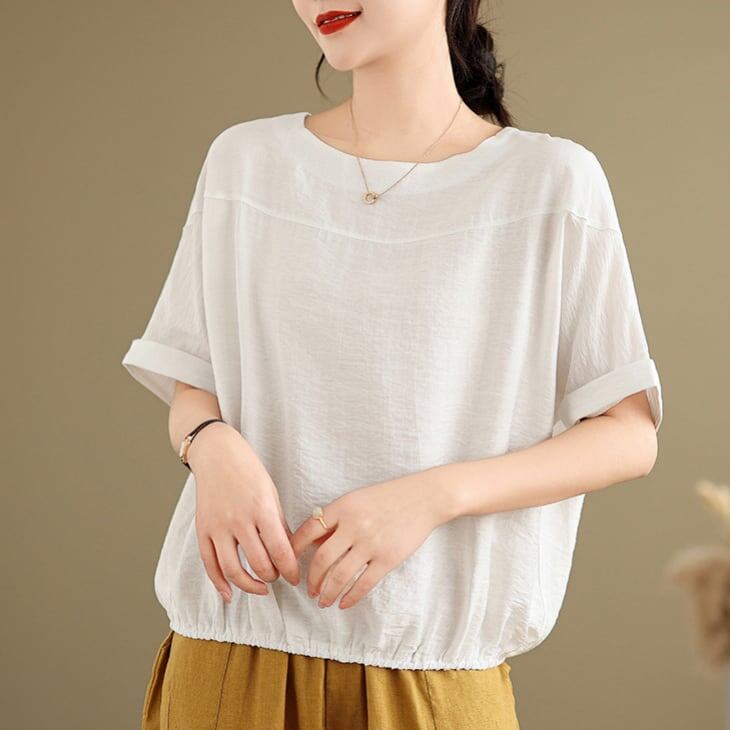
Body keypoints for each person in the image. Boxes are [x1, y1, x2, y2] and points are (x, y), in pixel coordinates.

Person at [121, 1, 664, 728]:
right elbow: (195, 378)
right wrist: (210, 446)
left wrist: (433, 496)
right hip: (226, 660)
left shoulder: (550, 183)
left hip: (433, 679)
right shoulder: (244, 163)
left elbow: (629, 433)